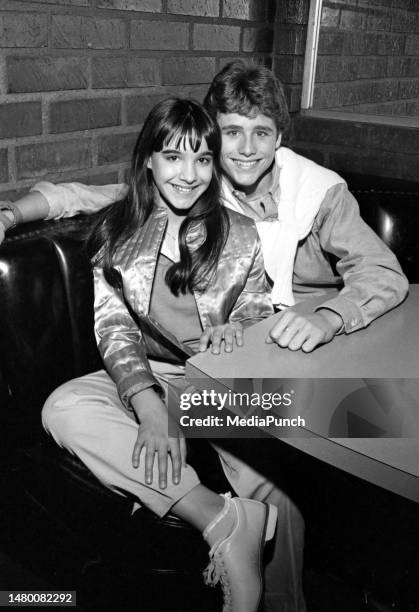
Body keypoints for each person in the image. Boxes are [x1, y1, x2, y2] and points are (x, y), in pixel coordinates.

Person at [42, 97, 281, 612]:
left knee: (285, 475)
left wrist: (237, 329)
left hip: (220, 386)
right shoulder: (117, 235)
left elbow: (259, 306)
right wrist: (148, 402)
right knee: (62, 407)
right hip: (153, 377)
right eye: (174, 157)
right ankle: (220, 519)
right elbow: (113, 327)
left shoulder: (239, 235)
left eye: (202, 159)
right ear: (148, 159)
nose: (189, 174)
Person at [0, 61, 408, 355]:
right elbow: (84, 197)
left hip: (323, 339)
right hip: (245, 345)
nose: (247, 150)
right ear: (213, 135)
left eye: (261, 133)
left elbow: (382, 273)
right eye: (232, 132)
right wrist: (11, 215)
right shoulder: (199, 184)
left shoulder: (318, 192)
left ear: (279, 137)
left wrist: (327, 318)